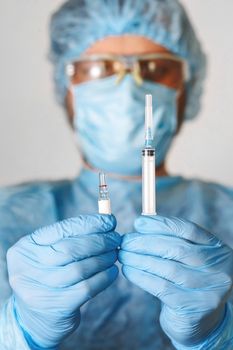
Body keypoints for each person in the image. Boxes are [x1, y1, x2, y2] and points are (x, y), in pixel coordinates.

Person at [0, 0, 233, 349]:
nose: (127, 91)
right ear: (67, 89)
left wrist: (219, 336)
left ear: (187, 87)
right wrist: (20, 331)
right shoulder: (9, 216)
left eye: (154, 67)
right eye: (99, 68)